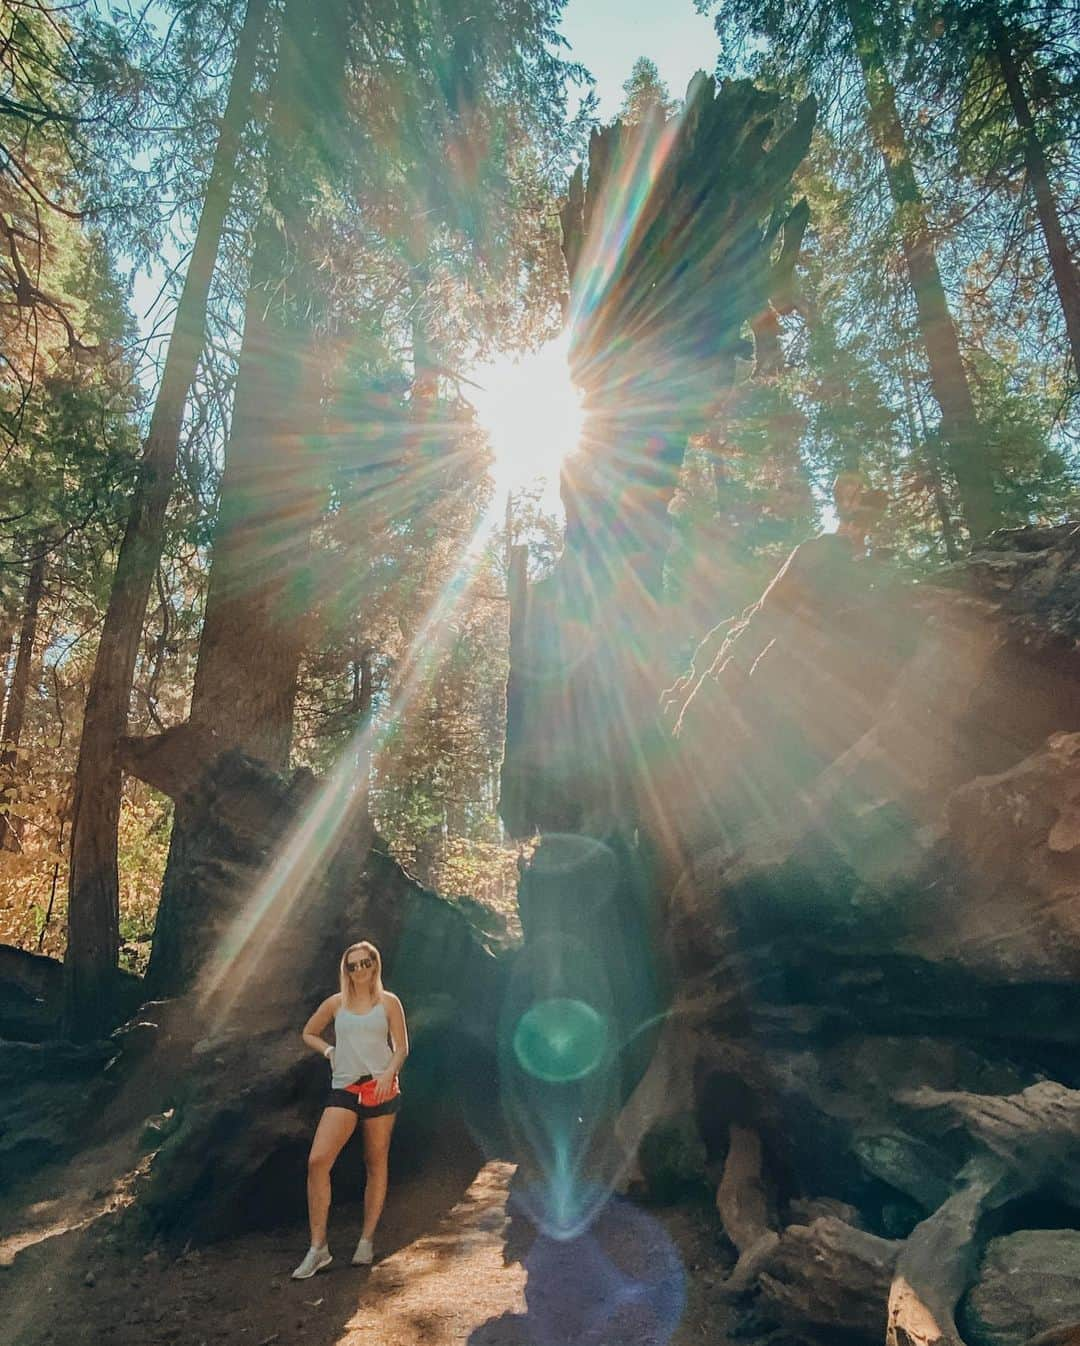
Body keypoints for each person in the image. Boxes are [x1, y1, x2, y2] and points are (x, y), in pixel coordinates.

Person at [291, 941, 409, 1280]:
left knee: (375, 1161)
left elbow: (401, 1046)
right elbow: (308, 1033)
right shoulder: (336, 1003)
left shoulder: (388, 1002)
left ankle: (366, 1240)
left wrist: (389, 1074)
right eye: (352, 965)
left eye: (365, 963)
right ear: (346, 969)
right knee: (318, 1161)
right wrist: (329, 1051)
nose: (359, 970)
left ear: (375, 964)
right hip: (344, 1088)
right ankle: (318, 1248)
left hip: (380, 1087)